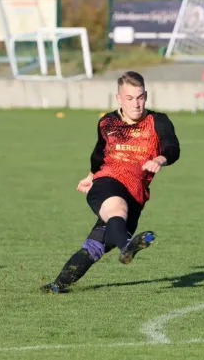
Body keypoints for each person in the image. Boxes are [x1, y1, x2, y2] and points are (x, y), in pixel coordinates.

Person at [41, 71, 181, 293]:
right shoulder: (107, 121)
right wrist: (90, 177)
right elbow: (99, 153)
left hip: (136, 194)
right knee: (116, 207)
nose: (136, 104)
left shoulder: (158, 121)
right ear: (118, 98)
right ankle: (127, 246)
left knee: (95, 247)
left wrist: (160, 159)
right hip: (107, 181)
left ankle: (57, 285)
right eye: (129, 98)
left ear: (146, 95)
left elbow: (172, 146)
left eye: (140, 97)